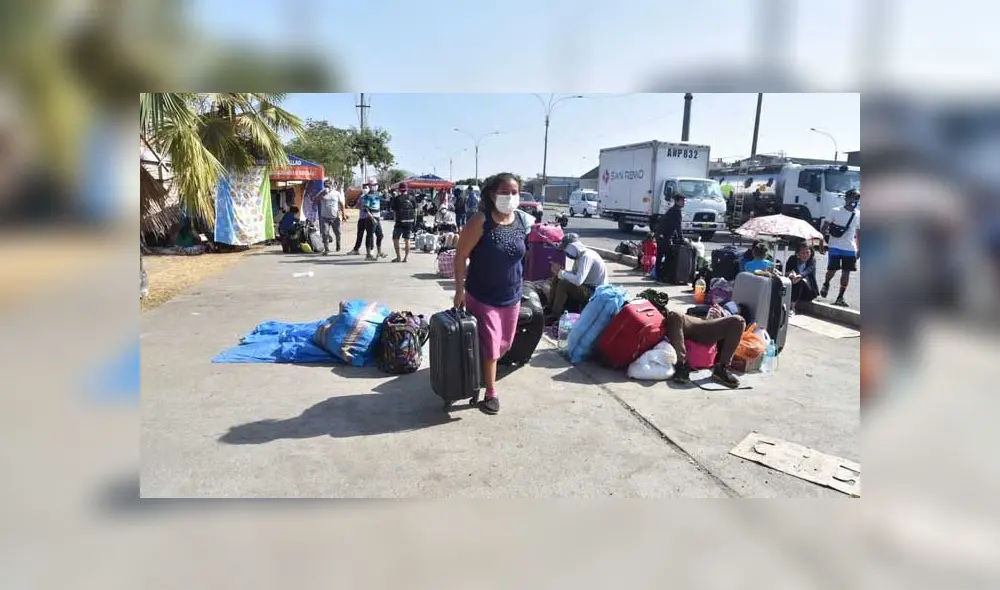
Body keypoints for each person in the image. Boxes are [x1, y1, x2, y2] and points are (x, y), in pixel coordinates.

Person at [453, 173, 528, 415]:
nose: (510, 197)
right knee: (492, 346)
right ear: (492, 194)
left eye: (514, 192)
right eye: (504, 192)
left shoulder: (520, 220)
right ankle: (490, 393)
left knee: (504, 344)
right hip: (483, 295)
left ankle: (482, 370)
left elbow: (520, 256)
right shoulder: (480, 221)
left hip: (512, 295)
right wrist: (459, 290)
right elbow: (460, 255)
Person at [663, 310, 745, 388]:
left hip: (703, 324)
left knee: (738, 321)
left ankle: (722, 368)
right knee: (674, 315)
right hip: (685, 325)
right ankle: (681, 365)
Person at [546, 233, 608, 322]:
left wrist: (561, 272)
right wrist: (560, 272)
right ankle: (550, 308)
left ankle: (555, 315)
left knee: (564, 283)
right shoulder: (580, 256)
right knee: (558, 278)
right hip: (586, 286)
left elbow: (579, 280)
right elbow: (574, 274)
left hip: (594, 292)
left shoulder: (586, 256)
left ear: (572, 247)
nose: (566, 253)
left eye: (566, 249)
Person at [820, 188, 861, 307]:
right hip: (835, 246)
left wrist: (859, 249)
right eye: (853, 198)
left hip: (850, 248)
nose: (854, 201)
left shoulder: (858, 214)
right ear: (846, 199)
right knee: (832, 270)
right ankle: (826, 283)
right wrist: (822, 243)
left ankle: (840, 297)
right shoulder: (835, 211)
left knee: (846, 272)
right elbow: (824, 227)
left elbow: (858, 233)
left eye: (857, 198)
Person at [654, 193, 686, 276]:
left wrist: (677, 237)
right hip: (665, 236)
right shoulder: (677, 211)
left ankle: (658, 274)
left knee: (660, 255)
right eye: (682, 201)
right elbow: (678, 227)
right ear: (677, 201)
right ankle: (664, 275)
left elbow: (673, 225)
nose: (684, 202)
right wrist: (682, 239)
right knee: (669, 256)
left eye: (684, 201)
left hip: (660, 235)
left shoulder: (672, 210)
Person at [785, 240, 819, 313]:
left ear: (811, 252)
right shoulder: (792, 259)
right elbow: (787, 270)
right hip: (793, 285)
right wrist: (790, 274)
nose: (805, 255)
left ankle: (792, 308)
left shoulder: (812, 260)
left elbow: (808, 270)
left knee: (800, 281)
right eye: (803, 253)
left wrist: (800, 276)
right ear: (798, 253)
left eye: (807, 253)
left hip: (808, 291)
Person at [318, 179, 347, 254]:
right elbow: (314, 200)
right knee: (325, 233)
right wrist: (322, 194)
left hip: (335, 217)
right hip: (324, 217)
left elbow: (341, 204)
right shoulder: (322, 193)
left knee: (337, 233)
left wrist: (343, 214)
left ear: (332, 185)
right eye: (325, 186)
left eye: (328, 186)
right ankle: (326, 249)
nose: (327, 187)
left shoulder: (336, 193)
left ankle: (338, 244)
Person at [390, 187, 417, 263]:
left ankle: (398, 257)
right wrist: (414, 220)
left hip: (399, 221)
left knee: (395, 238)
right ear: (406, 189)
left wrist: (395, 219)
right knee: (407, 239)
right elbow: (415, 210)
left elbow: (394, 211)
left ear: (399, 190)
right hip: (409, 221)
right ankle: (406, 258)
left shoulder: (397, 199)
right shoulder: (412, 198)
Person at [347, 183, 373, 256]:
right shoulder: (361, 197)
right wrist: (352, 207)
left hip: (369, 218)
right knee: (360, 234)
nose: (365, 189)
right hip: (362, 218)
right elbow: (357, 206)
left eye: (366, 188)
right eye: (363, 188)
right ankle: (356, 249)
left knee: (369, 235)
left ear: (369, 188)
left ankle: (371, 249)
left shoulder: (371, 196)